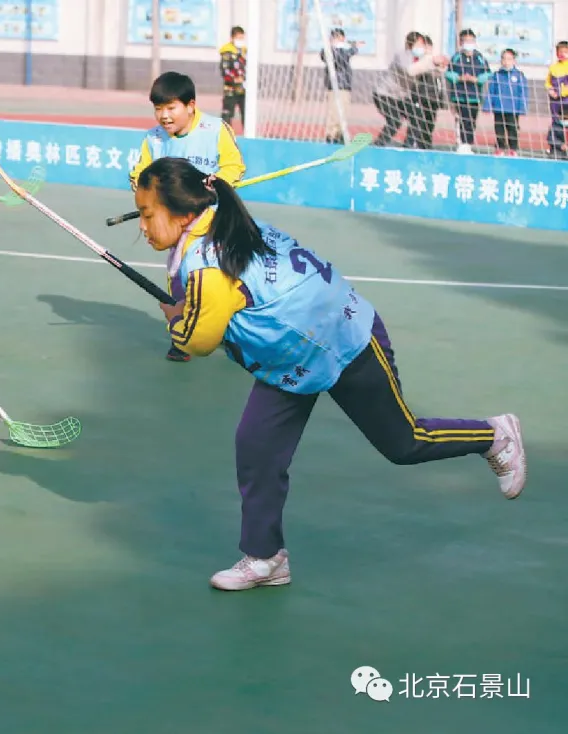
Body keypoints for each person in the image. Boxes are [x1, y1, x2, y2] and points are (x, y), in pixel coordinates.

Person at [133, 156, 526, 592]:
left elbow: (197, 339)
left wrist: (175, 317)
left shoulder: (207, 263)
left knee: (403, 442)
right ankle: (266, 558)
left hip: (343, 340)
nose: (143, 226)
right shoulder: (224, 222)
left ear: (184, 213)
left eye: (149, 214)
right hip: (291, 358)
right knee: (258, 448)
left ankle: (494, 435)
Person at [128, 70, 246, 362]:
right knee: (180, 274)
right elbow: (140, 175)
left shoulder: (215, 129)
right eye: (158, 109)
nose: (164, 116)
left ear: (190, 105)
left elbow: (234, 166)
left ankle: (235, 334)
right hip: (178, 225)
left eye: (171, 108)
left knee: (226, 276)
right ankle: (182, 333)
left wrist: (217, 182)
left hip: (214, 219)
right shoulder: (153, 140)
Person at [372, 31, 448, 147]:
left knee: (418, 118)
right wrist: (431, 61)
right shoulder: (402, 55)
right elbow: (410, 71)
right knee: (395, 121)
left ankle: (407, 146)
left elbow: (434, 72)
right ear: (410, 44)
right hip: (385, 94)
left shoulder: (422, 58)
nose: (422, 47)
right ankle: (378, 145)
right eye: (419, 44)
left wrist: (441, 65)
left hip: (402, 97)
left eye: (423, 45)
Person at [445, 29, 491, 154]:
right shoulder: (456, 57)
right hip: (459, 95)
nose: (468, 43)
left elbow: (487, 73)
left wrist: (476, 79)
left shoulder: (480, 58)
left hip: (474, 96)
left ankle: (468, 144)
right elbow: (448, 73)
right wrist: (459, 78)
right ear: (461, 42)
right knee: (461, 119)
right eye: (466, 41)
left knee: (471, 120)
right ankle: (461, 143)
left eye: (471, 41)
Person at [319, 28, 362, 144]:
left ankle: (339, 135)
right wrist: (353, 48)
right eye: (340, 38)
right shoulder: (329, 50)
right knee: (334, 112)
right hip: (335, 86)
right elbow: (339, 58)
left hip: (345, 85)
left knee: (344, 112)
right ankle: (330, 135)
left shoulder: (343, 50)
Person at [482, 48, 527, 156]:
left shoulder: (519, 75)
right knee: (499, 129)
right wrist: (487, 105)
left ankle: (513, 149)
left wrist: (522, 107)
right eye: (504, 59)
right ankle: (500, 147)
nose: (506, 61)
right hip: (499, 108)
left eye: (509, 59)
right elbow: (491, 91)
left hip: (513, 109)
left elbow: (523, 92)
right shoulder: (497, 75)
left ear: (514, 61)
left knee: (512, 129)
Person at [219, 26, 247, 129]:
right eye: (238, 38)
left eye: (242, 38)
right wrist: (235, 79)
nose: (241, 40)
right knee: (227, 113)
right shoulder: (227, 52)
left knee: (246, 112)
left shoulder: (244, 52)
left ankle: (248, 134)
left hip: (243, 89)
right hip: (230, 89)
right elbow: (225, 71)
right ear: (232, 38)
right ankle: (226, 134)